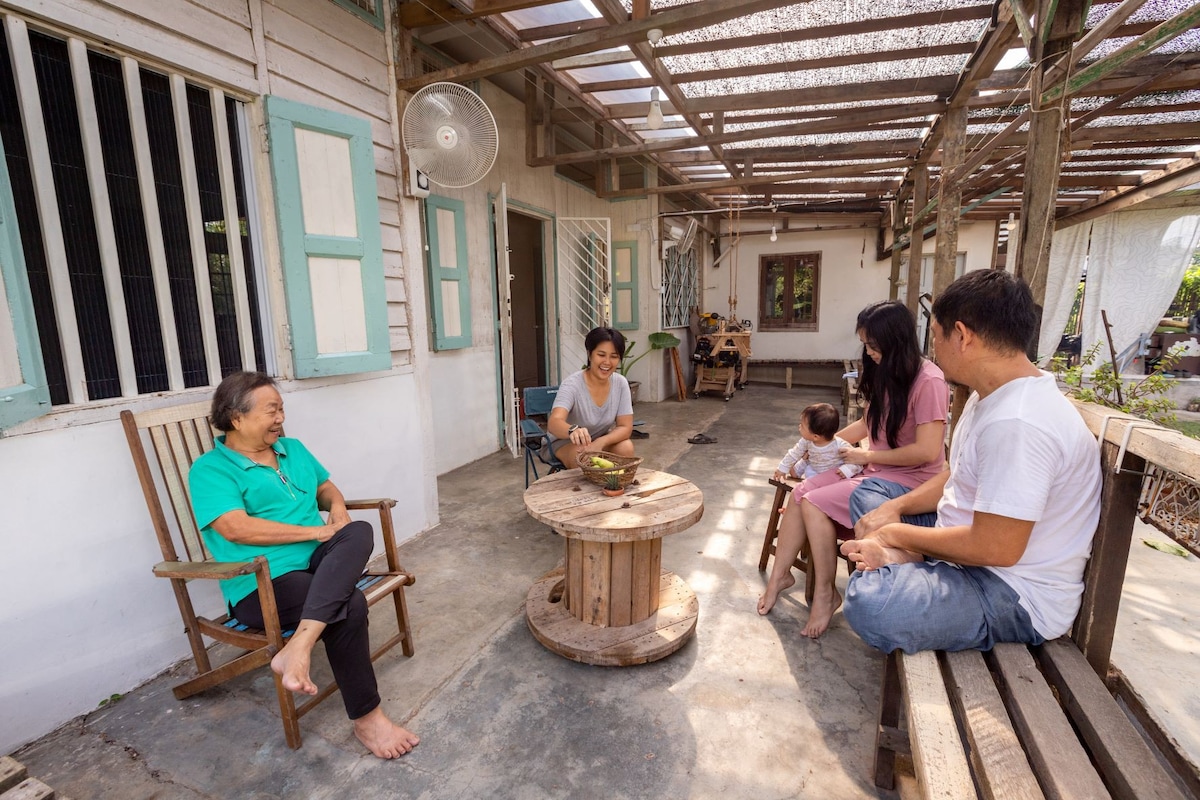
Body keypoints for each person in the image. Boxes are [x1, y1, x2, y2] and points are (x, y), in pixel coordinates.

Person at [842, 269, 1102, 653]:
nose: (933, 352)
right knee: (871, 500)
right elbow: (955, 476)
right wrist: (894, 510)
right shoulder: (991, 397)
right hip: (969, 544)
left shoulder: (1019, 423)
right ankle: (908, 556)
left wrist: (894, 533)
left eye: (936, 338)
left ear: (962, 336)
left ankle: (904, 558)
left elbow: (995, 548)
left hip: (1011, 589)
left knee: (870, 604)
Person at [188, 371, 419, 759]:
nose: (280, 418)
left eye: (281, 409)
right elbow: (235, 527)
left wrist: (339, 512)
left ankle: (298, 645)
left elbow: (325, 489)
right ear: (236, 418)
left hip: (321, 564)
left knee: (358, 530)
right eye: (271, 411)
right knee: (349, 606)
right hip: (262, 581)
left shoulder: (291, 448)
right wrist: (314, 534)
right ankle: (368, 720)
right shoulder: (211, 469)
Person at [757, 301, 949, 639]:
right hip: (873, 467)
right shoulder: (887, 373)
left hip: (908, 481)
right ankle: (780, 577)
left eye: (874, 345)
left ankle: (826, 594)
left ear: (896, 342)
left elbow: (927, 451)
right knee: (802, 491)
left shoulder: (929, 380)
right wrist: (821, 445)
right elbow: (867, 423)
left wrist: (865, 457)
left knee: (812, 502)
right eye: (866, 345)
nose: (870, 352)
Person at [547, 327, 635, 468]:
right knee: (582, 456)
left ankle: (613, 488)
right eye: (601, 355)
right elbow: (554, 422)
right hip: (565, 442)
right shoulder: (572, 384)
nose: (607, 362)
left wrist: (600, 443)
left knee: (626, 447)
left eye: (614, 356)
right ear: (590, 355)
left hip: (599, 439)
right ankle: (585, 490)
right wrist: (573, 430)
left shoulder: (620, 383)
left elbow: (625, 426)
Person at [773, 402, 862, 483]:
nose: (799, 426)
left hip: (834, 477)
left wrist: (846, 470)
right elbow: (794, 453)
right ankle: (798, 471)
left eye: (803, 426)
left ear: (815, 436)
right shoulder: (806, 441)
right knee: (808, 464)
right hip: (814, 471)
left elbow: (857, 461)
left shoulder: (840, 445)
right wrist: (782, 468)